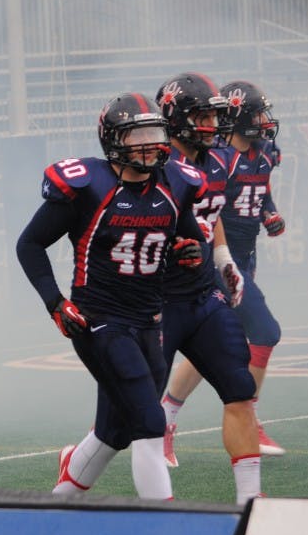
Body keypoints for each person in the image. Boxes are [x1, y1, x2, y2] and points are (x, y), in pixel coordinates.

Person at [16, 92, 206, 500]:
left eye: (155, 133)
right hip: (99, 321)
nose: (149, 144)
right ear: (113, 140)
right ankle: (166, 526)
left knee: (113, 432)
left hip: (149, 321)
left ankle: (56, 508)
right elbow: (29, 244)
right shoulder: (90, 185)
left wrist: (190, 252)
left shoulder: (175, 183)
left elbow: (189, 237)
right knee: (151, 424)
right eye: (138, 136)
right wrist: (55, 302)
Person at [148, 72, 262, 503]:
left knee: (240, 388)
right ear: (176, 119)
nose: (212, 125)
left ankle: (251, 504)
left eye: (214, 116)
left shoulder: (217, 162)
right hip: (157, 299)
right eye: (202, 117)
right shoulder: (155, 165)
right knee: (128, 416)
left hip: (201, 296)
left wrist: (223, 258)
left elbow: (210, 216)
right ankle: (80, 460)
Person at [162, 80, 287, 459]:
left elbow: (261, 189)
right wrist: (221, 257)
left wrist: (268, 212)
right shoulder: (220, 159)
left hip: (243, 257)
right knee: (265, 331)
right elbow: (209, 208)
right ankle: (250, 419)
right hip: (218, 258)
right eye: (258, 114)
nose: (264, 121)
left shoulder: (264, 153)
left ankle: (165, 418)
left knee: (212, 346)